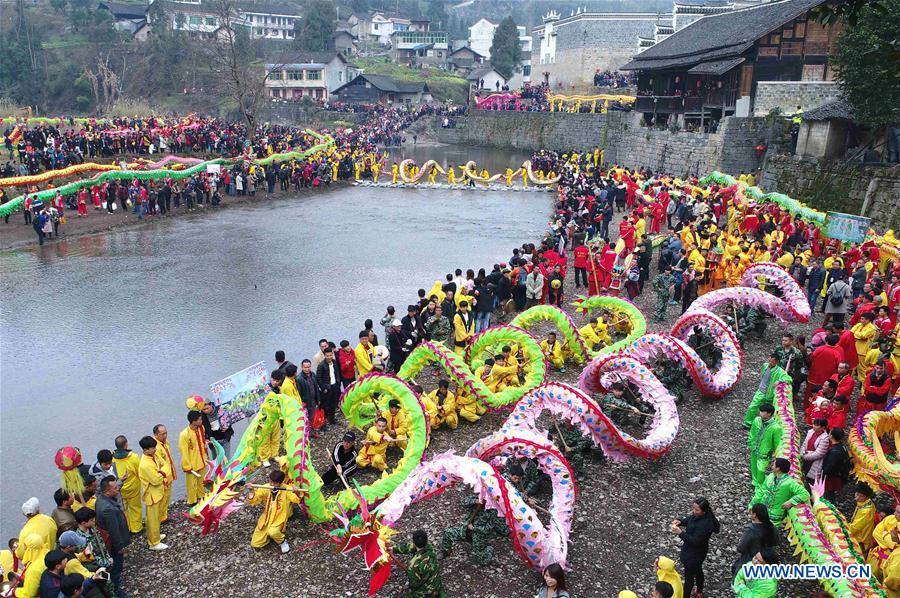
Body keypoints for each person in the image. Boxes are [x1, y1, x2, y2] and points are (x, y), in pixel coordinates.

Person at [245, 470, 305, 553]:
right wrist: (251, 491)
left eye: (274, 483)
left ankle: (282, 541)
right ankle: (269, 534)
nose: (271, 484)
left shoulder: (286, 489)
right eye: (270, 481)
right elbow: (255, 500)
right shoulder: (266, 487)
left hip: (279, 516)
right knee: (255, 544)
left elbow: (297, 499)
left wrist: (297, 492)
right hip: (267, 517)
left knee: (273, 532)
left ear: (280, 483)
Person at [671, 497, 719, 598]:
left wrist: (680, 533)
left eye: (696, 509)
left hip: (694, 554)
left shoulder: (705, 525)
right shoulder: (700, 516)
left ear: (704, 511)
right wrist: (680, 521)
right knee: (698, 570)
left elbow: (695, 541)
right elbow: (690, 519)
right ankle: (699, 591)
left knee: (689, 579)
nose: (694, 511)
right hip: (697, 552)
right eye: (693, 508)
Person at [94, 477, 130, 595]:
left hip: (108, 542)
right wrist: (121, 547)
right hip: (114, 545)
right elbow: (114, 531)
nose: (118, 489)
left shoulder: (100, 499)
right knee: (116, 568)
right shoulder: (108, 509)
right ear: (107, 491)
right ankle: (115, 591)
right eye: (115, 488)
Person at [750, 458, 810, 523]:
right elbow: (761, 492)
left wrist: (791, 502)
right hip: (761, 512)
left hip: (775, 517)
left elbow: (805, 494)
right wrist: (752, 506)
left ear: (778, 468)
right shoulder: (770, 477)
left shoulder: (790, 482)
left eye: (773, 465)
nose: (772, 467)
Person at [392, 530, 444, 598]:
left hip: (426, 593)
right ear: (426, 540)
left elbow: (414, 584)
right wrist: (393, 549)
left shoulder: (413, 564)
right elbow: (410, 547)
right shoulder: (430, 548)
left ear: (414, 542)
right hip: (437, 585)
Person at [137, 436, 168, 551]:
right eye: (152, 448)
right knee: (152, 519)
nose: (155, 450)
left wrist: (160, 471)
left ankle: (156, 535)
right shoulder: (145, 464)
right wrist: (162, 472)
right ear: (145, 450)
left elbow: (165, 464)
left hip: (158, 492)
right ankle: (153, 542)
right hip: (152, 495)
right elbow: (155, 480)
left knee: (157, 516)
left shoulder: (154, 456)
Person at [733, 503, 777, 575]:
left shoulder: (751, 530)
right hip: (768, 560)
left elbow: (740, 548)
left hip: (752, 560)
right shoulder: (772, 527)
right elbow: (776, 542)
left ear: (754, 515)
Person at [111, 436, 142, 534]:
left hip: (119, 488)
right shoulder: (133, 457)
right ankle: (136, 528)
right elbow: (139, 472)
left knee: (123, 509)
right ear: (126, 444)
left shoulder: (112, 458)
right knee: (135, 508)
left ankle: (127, 528)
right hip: (133, 488)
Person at [747, 403, 782, 488]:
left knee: (761, 470)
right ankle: (755, 482)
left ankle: (759, 487)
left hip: (764, 453)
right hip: (754, 449)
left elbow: (777, 443)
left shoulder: (776, 428)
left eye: (763, 412)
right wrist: (750, 444)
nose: (760, 413)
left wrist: (775, 454)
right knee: (754, 467)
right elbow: (752, 433)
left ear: (769, 413)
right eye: (761, 411)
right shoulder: (757, 420)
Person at [179, 410, 207, 506]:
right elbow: (184, 451)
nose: (201, 421)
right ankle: (192, 501)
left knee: (202, 481)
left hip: (202, 460)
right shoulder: (185, 434)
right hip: (192, 463)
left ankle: (201, 496)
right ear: (193, 421)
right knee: (191, 484)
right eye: (199, 419)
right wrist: (187, 466)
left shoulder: (200, 428)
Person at [152, 424, 176, 523]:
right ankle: (161, 518)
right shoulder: (155, 447)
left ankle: (164, 515)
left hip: (169, 474)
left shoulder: (165, 442)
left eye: (166, 433)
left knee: (167, 497)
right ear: (156, 435)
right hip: (164, 477)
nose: (165, 436)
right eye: (162, 434)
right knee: (163, 498)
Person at [821, 428, 850, 502]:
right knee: (830, 493)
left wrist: (822, 474)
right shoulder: (842, 447)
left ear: (832, 436)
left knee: (829, 495)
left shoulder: (835, 451)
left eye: (830, 433)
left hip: (832, 477)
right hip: (838, 475)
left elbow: (830, 466)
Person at [315, 347, 343, 425]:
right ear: (324, 355)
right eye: (327, 356)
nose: (329, 357)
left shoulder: (334, 362)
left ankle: (332, 419)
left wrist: (338, 382)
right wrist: (323, 388)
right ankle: (324, 421)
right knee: (326, 405)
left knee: (334, 404)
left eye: (330, 355)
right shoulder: (321, 365)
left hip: (335, 386)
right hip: (327, 388)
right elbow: (318, 378)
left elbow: (337, 373)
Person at [848, 483, 876, 552]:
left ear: (867, 497)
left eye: (861, 496)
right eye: (857, 494)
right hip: (858, 535)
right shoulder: (864, 503)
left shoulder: (867, 511)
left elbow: (856, 527)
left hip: (861, 540)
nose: (857, 498)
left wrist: (844, 530)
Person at [801, 418, 830, 485]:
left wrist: (804, 456)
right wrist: (802, 453)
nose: (813, 426)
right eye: (814, 424)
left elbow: (818, 454)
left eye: (816, 425)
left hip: (814, 462)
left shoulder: (825, 439)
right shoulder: (811, 432)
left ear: (823, 427)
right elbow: (804, 444)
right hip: (806, 457)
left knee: (812, 482)